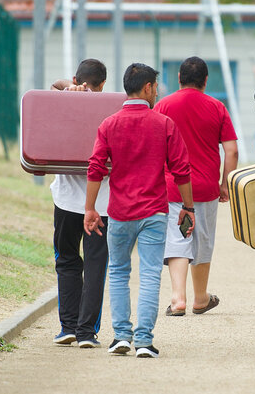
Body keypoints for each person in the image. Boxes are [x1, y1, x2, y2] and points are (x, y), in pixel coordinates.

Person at [84, 63, 196, 359]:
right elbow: (181, 170)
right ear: (147, 88)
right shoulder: (163, 124)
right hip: (154, 214)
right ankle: (144, 340)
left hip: (119, 213)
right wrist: (188, 207)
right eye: (156, 87)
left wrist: (89, 209)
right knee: (149, 275)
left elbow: (95, 168)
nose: (157, 92)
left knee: (119, 273)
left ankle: (121, 336)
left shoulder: (109, 124)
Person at [153, 56, 239, 317]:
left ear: (179, 78)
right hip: (205, 188)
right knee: (201, 239)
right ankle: (200, 298)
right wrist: (226, 184)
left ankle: (178, 298)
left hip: (171, 187)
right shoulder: (217, 107)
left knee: (177, 238)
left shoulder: (162, 106)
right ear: (205, 80)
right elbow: (232, 150)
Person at [48, 59, 111, 348]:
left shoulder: (62, 101)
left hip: (65, 202)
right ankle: (87, 332)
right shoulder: (111, 109)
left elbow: (54, 86)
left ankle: (67, 327)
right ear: (104, 84)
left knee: (67, 262)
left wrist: (69, 87)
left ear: (77, 78)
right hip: (102, 205)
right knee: (96, 265)